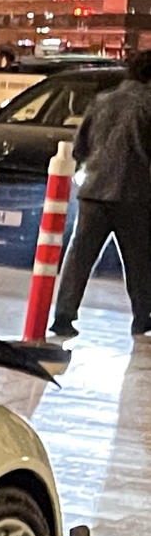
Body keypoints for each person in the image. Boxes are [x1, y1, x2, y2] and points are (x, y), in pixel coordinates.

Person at [49, 47, 151, 340]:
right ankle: (143, 318)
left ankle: (63, 316)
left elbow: (80, 146)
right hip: (133, 193)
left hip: (93, 190)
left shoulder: (102, 101)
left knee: (79, 256)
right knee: (138, 259)